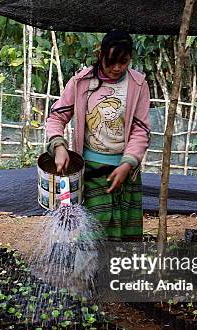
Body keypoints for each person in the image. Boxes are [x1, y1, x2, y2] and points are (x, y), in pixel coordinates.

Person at [45, 30, 151, 242]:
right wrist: (59, 147)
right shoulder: (82, 82)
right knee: (95, 226)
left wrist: (127, 164)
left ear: (131, 58)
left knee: (124, 229)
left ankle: (118, 273)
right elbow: (56, 118)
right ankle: (88, 273)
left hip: (125, 171)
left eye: (123, 61)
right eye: (111, 61)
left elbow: (140, 130)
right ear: (100, 55)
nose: (117, 68)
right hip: (91, 170)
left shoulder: (138, 85)